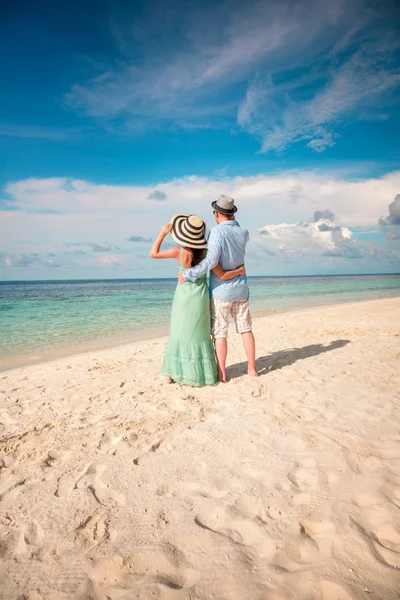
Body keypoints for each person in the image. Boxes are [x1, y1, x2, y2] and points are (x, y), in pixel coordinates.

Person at [150, 213, 245, 386]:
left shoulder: (177, 252)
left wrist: (162, 234)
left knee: (179, 331)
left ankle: (170, 374)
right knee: (198, 333)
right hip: (199, 298)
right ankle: (198, 374)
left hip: (182, 297)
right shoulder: (207, 254)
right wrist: (239, 271)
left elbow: (153, 254)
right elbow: (222, 275)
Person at [178, 195, 257, 383]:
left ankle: (222, 374)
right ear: (232, 213)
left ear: (217, 213)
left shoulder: (216, 232)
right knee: (246, 329)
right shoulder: (244, 231)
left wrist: (189, 274)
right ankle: (252, 369)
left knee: (220, 332)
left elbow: (212, 261)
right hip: (241, 289)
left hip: (222, 291)